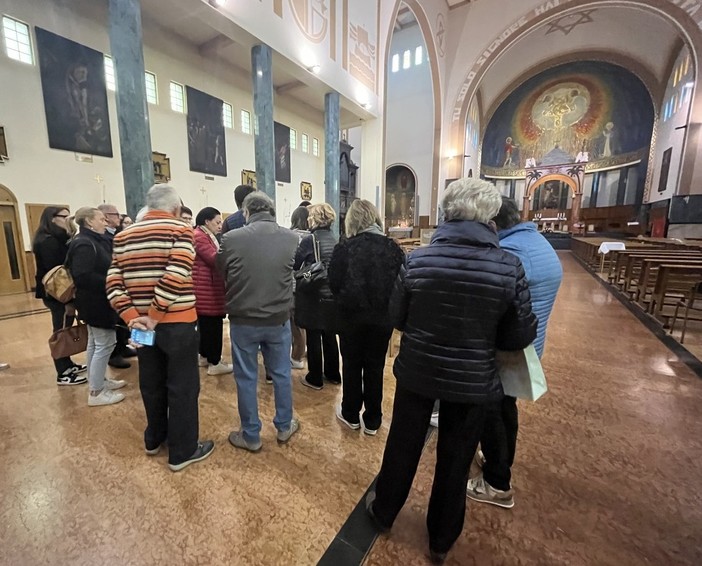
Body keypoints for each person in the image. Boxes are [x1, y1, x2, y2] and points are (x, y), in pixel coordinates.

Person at [366, 178, 537, 564]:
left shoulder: (418, 259)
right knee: (456, 457)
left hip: (418, 370)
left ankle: (384, 511)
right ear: (491, 216)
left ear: (448, 212)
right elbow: (518, 335)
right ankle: (441, 539)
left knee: (402, 445)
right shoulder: (509, 265)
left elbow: (398, 317)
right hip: (474, 378)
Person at [107, 184, 214, 472]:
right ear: (177, 209)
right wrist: (154, 316)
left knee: (151, 382)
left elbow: (113, 284)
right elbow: (176, 275)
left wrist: (133, 318)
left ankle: (154, 438)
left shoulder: (123, 235)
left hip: (141, 326)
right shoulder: (180, 231)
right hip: (177, 322)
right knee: (182, 386)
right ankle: (183, 451)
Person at [467, 197, 562, 508]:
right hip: (525, 345)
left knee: (491, 412)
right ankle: (500, 459)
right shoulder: (535, 240)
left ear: (493, 224)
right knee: (505, 408)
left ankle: (497, 482)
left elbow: (487, 303)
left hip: (507, 348)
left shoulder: (512, 252)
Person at [216, 191, 300, 452]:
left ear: (246, 213)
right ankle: (285, 426)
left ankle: (251, 435)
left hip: (244, 319)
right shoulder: (291, 237)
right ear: (271, 211)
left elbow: (222, 270)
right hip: (278, 319)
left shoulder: (230, 238)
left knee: (246, 377)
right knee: (282, 373)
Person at [328, 199, 404, 435]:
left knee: (351, 365)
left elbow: (333, 282)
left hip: (350, 319)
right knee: (375, 366)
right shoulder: (393, 248)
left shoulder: (344, 247)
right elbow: (401, 284)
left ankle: (350, 413)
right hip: (382, 319)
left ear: (352, 220)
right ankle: (373, 419)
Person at [68, 207, 127, 406]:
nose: (106, 222)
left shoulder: (91, 240)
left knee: (96, 343)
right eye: (102, 219)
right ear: (89, 222)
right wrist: (112, 281)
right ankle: (95, 393)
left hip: (96, 301)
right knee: (105, 344)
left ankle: (99, 381)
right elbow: (82, 275)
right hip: (95, 303)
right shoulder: (84, 243)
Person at [32, 206, 87, 385]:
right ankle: (62, 372)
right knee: (61, 330)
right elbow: (59, 268)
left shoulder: (54, 238)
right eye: (64, 217)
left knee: (65, 326)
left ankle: (67, 363)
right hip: (57, 292)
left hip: (58, 291)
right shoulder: (47, 241)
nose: (67, 219)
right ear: (52, 218)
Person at [294, 203, 341, 390]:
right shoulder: (335, 239)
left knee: (314, 336)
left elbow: (297, 266)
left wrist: (305, 276)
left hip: (314, 294)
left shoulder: (310, 240)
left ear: (313, 218)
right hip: (332, 294)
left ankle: (315, 377)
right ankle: (333, 374)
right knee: (329, 335)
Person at [193, 206, 232, 376]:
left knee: (207, 326)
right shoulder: (200, 236)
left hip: (207, 287)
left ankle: (205, 356)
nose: (220, 225)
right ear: (206, 221)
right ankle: (215, 362)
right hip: (206, 289)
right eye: (217, 222)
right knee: (213, 326)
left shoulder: (204, 235)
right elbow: (214, 259)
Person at [98, 203, 132, 370]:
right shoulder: (98, 239)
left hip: (118, 284)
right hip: (108, 288)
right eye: (116, 215)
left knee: (120, 322)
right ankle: (115, 354)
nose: (118, 218)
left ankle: (122, 348)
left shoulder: (114, 236)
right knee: (109, 330)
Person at [289, 206, 310, 370]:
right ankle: (299, 354)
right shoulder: (311, 237)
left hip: (288, 283)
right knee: (300, 323)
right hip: (304, 284)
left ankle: (296, 357)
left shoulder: (288, 236)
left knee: (292, 324)